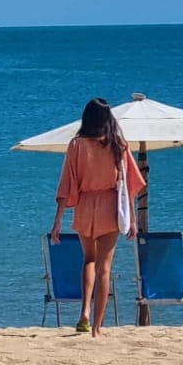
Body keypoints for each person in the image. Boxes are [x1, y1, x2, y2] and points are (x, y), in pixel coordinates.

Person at [49, 97, 146, 337]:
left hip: (84, 205)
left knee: (88, 260)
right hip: (110, 206)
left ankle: (84, 312)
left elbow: (66, 185)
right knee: (105, 268)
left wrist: (57, 221)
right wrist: (132, 219)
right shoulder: (118, 144)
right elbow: (128, 186)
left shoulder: (76, 145)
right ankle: (97, 327)